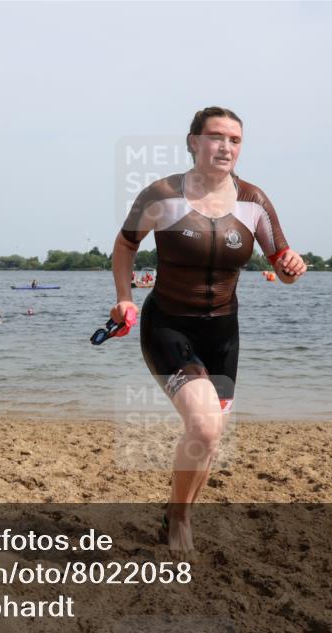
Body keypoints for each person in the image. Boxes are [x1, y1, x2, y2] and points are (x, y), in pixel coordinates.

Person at [109, 107, 306, 550]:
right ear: (194, 141)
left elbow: (284, 264)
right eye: (216, 137)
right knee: (204, 427)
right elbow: (124, 247)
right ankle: (179, 522)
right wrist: (125, 297)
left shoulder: (253, 201)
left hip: (223, 336)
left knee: (209, 438)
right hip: (168, 327)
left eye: (235, 140)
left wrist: (293, 267)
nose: (226, 147)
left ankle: (176, 514)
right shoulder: (161, 194)